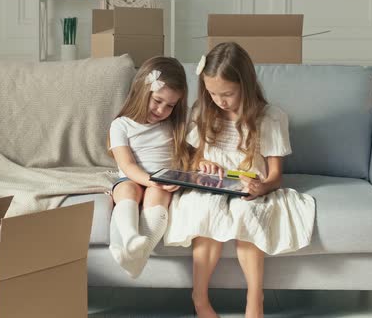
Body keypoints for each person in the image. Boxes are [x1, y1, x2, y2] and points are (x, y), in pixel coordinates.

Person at [163, 42, 316, 318]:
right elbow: (191, 159)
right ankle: (200, 298)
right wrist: (202, 163)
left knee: (248, 214)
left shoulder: (270, 117)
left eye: (227, 94)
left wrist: (262, 187)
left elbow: (275, 176)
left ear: (245, 85)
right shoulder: (204, 110)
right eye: (212, 93)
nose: (219, 100)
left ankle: (255, 299)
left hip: (248, 187)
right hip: (210, 186)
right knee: (205, 211)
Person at [108, 56, 190, 278]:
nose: (162, 109)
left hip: (162, 181)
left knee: (157, 195)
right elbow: (126, 164)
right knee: (127, 190)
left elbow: (194, 155)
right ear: (143, 92)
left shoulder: (174, 125)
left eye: (170, 105)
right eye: (157, 100)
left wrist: (171, 179)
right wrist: (151, 179)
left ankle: (137, 258)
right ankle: (131, 238)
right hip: (131, 178)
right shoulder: (121, 125)